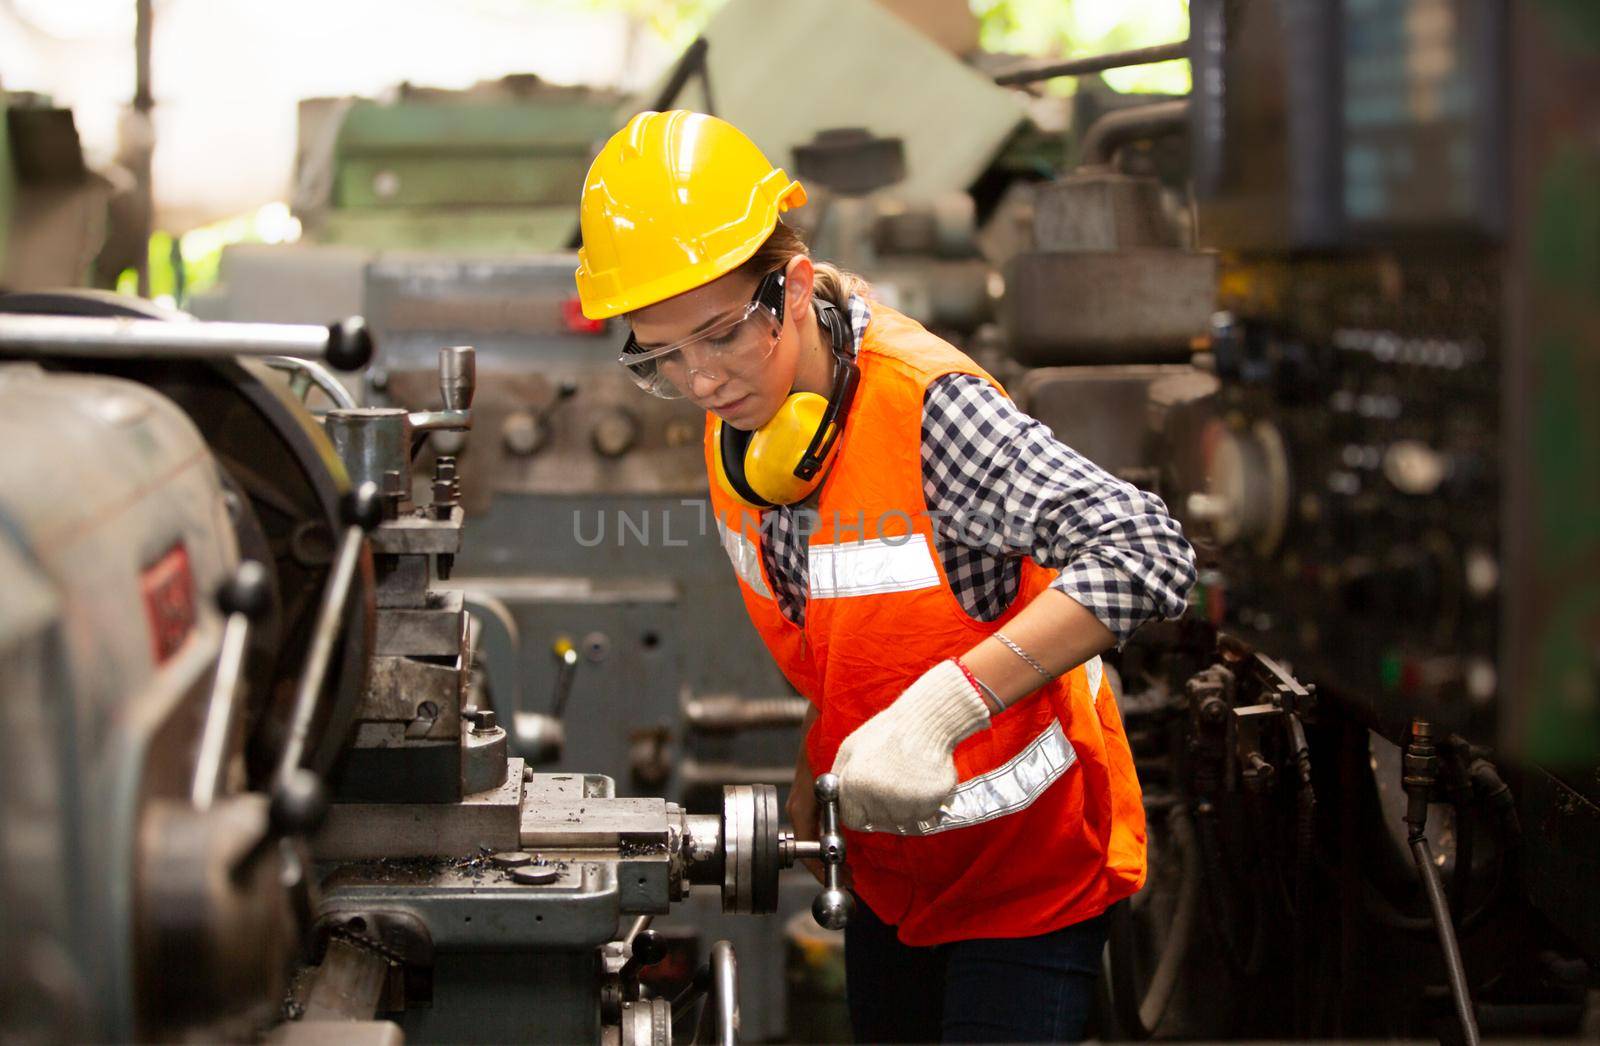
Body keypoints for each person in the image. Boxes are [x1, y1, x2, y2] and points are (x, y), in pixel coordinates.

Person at [574, 110, 1197, 1043]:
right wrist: (810, 769)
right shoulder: (745, 428)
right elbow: (846, 629)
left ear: (788, 288)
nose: (700, 382)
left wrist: (945, 709)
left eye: (717, 337)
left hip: (1026, 879)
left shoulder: (929, 410)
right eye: (661, 358)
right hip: (889, 876)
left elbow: (1149, 550)